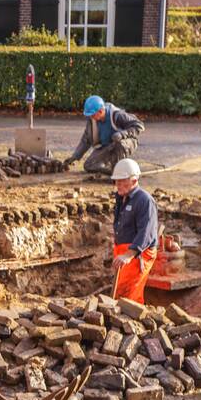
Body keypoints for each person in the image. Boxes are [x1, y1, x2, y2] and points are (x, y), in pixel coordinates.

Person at [110, 158, 159, 304]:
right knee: (120, 289)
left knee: (129, 293)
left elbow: (147, 232)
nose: (118, 184)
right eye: (116, 180)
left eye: (122, 180)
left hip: (138, 254)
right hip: (123, 251)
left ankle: (133, 316)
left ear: (134, 180)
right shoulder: (122, 197)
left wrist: (129, 254)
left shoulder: (145, 200)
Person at [63, 95, 144, 175]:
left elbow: (139, 126)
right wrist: (75, 156)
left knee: (120, 144)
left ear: (101, 111)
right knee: (89, 165)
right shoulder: (92, 120)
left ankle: (119, 170)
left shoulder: (117, 115)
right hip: (107, 146)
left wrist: (122, 134)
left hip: (125, 144)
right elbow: (86, 140)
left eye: (92, 115)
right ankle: (110, 170)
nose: (91, 117)